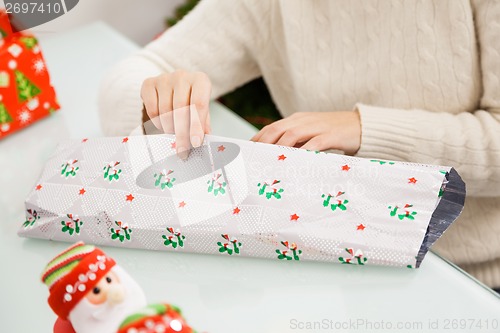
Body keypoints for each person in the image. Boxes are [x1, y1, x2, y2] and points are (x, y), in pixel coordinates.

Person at [98, 0, 500, 290]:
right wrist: (157, 98)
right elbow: (131, 76)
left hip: (476, 276)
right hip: (338, 260)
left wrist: (363, 129)